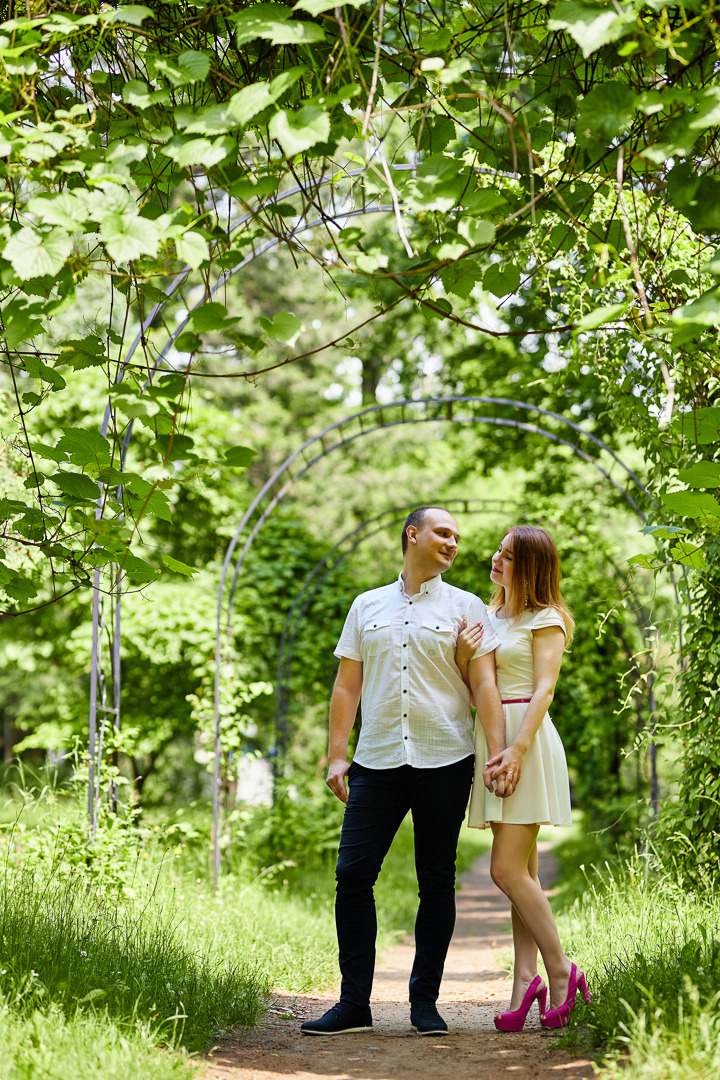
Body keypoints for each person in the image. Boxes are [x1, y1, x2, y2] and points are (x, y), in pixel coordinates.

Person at [300, 506, 507, 1037]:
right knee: (352, 876)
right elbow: (347, 685)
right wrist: (336, 753)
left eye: (457, 537)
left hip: (445, 757)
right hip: (377, 758)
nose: (453, 543)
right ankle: (353, 1005)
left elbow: (483, 685)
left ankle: (425, 1004)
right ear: (412, 535)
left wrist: (499, 752)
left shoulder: (467, 606)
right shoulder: (366, 605)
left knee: (435, 880)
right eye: (443, 533)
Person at [455, 525, 590, 1031]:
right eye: (498, 550)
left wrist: (516, 749)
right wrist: (463, 656)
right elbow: (474, 691)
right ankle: (523, 981)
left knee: (505, 870)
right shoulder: (486, 617)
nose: (495, 558)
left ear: (529, 566)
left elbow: (544, 690)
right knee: (523, 876)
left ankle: (561, 970)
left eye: (508, 556)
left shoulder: (546, 617)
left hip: (526, 742)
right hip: (491, 738)